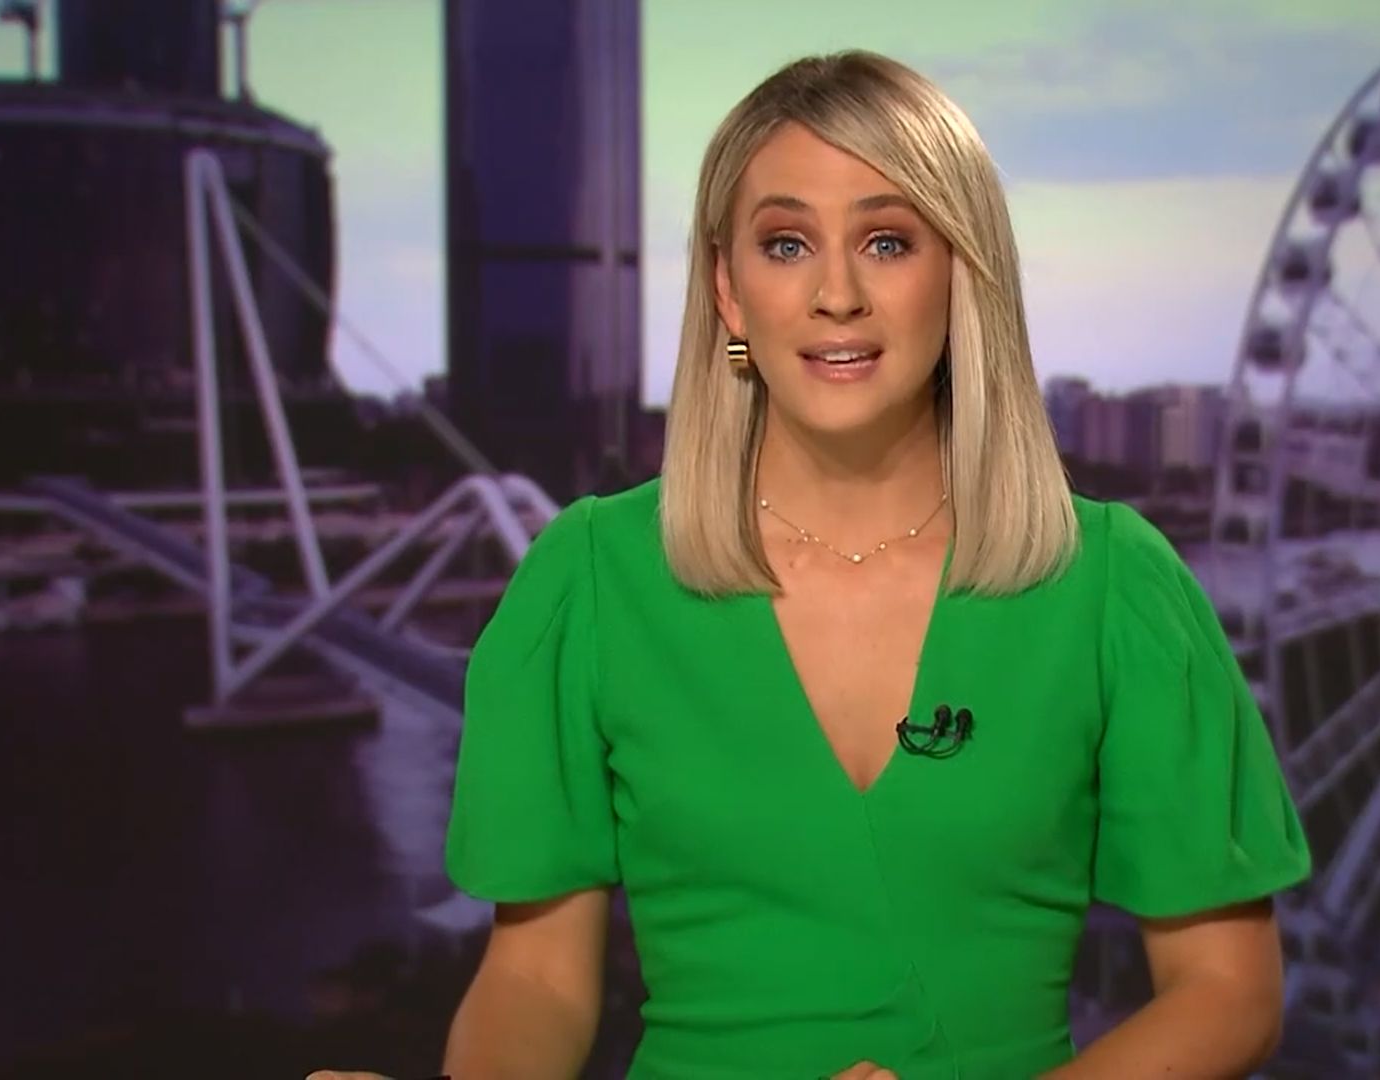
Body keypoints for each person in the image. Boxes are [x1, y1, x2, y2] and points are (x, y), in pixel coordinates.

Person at [316, 48, 1310, 1080]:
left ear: (962, 271)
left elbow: (1228, 992)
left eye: (888, 241)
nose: (837, 293)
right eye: (786, 244)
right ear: (728, 290)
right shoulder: (593, 580)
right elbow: (536, 983)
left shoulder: (1109, 585)